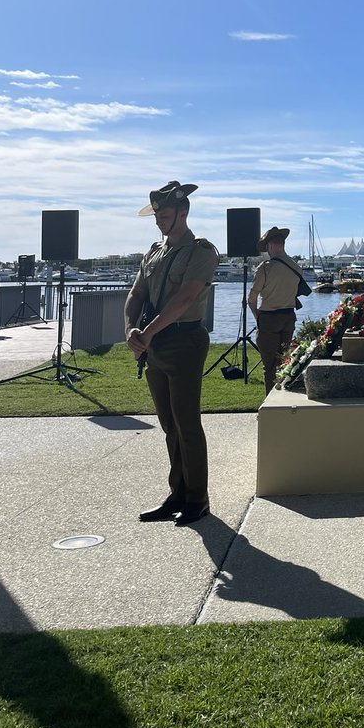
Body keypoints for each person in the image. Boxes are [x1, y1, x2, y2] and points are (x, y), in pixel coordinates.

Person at [124, 181, 219, 526]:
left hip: (184, 341)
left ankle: (198, 498)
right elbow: (136, 295)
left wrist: (145, 334)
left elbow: (186, 298)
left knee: (187, 423)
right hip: (156, 346)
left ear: (183, 212)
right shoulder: (153, 252)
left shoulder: (202, 252)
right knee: (169, 426)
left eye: (163, 215)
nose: (158, 221)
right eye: (156, 215)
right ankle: (177, 494)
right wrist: (130, 330)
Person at [248, 226, 305, 394]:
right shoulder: (296, 267)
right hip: (289, 318)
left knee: (270, 367)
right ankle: (284, 400)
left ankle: (269, 404)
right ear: (282, 244)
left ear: (270, 246)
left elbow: (252, 298)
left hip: (269, 319)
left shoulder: (265, 268)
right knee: (284, 362)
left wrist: (256, 315)